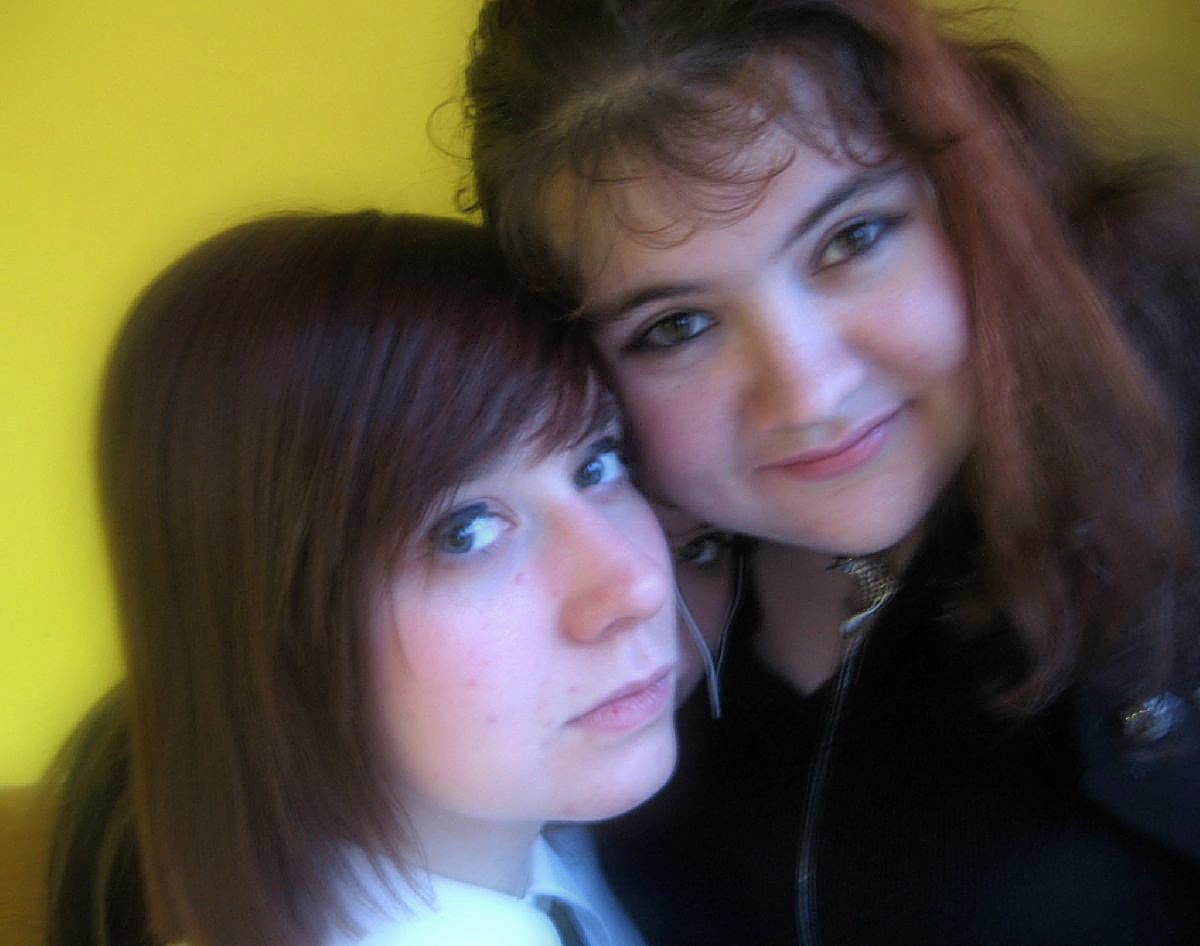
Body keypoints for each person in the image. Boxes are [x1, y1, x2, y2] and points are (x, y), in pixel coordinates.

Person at [461, 1, 1200, 943]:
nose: (808, 393)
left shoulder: (1171, 458)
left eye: (851, 239)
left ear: (977, 199)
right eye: (677, 327)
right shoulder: (594, 598)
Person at [45, 211, 680, 946]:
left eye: (597, 465)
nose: (636, 587)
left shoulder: (563, 858)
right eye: (465, 530)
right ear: (264, 618)